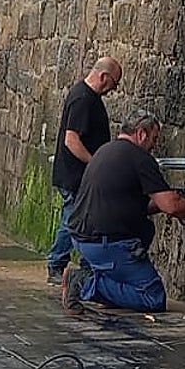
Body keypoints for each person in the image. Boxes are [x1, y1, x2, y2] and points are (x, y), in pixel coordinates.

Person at [63, 108, 185, 315]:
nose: (155, 146)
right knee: (152, 297)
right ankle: (84, 283)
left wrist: (165, 199)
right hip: (107, 243)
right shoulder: (139, 158)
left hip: (83, 237)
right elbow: (172, 207)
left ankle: (102, 286)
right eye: (154, 139)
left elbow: (131, 205)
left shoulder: (105, 151)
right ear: (141, 134)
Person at [47, 56, 122, 285]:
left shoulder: (87, 97)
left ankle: (81, 265)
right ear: (103, 76)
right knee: (73, 220)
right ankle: (57, 264)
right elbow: (72, 140)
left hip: (78, 175)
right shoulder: (82, 99)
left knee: (79, 220)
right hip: (74, 176)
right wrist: (95, 163)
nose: (114, 89)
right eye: (114, 83)